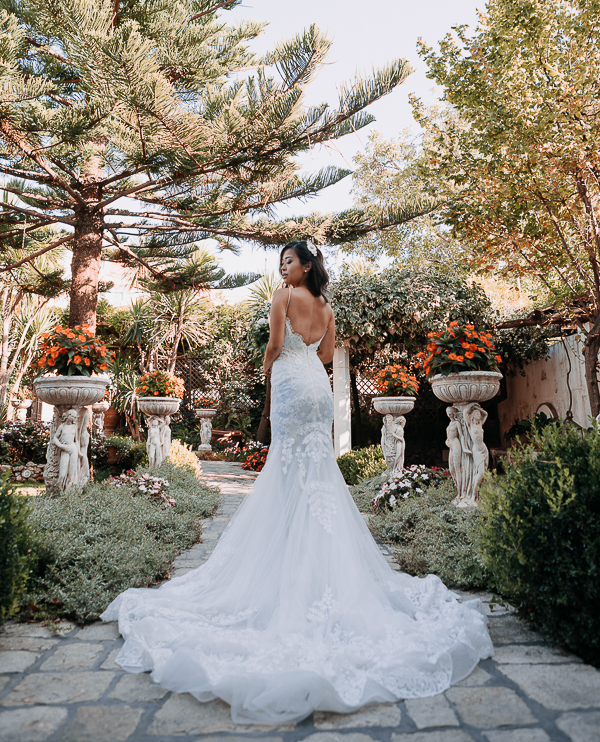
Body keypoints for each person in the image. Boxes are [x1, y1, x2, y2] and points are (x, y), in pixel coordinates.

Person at [101, 240, 493, 725]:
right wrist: (302, 356)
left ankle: (286, 549)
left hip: (289, 383)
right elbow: (327, 355)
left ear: (305, 266)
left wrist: (269, 368)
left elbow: (271, 346)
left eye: (287, 261)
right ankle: (316, 554)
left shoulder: (282, 299)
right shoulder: (327, 306)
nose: (281, 268)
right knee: (317, 471)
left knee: (286, 466)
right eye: (280, 263)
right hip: (317, 388)